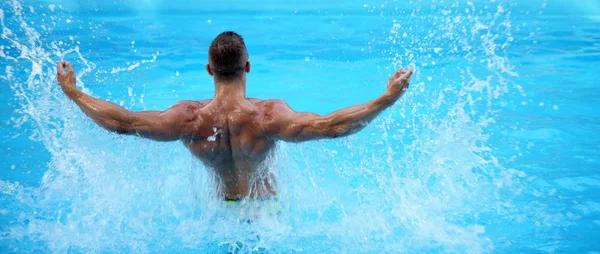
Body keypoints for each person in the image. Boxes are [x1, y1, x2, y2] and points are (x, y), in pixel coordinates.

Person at [56, 31, 413, 203]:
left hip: (217, 216)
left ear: (209, 69)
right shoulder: (268, 117)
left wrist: (73, 91)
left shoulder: (188, 120)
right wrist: (386, 98)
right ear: (247, 67)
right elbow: (331, 127)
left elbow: (123, 122)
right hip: (266, 216)